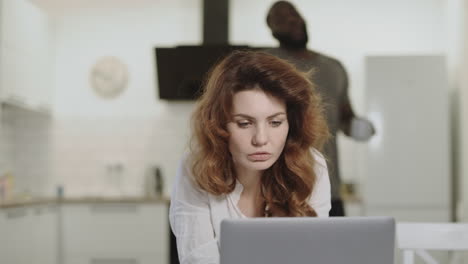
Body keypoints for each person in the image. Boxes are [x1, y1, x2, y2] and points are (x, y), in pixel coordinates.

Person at [169, 50, 331, 264]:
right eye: (244, 123)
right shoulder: (196, 169)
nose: (261, 139)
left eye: (275, 122)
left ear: (291, 123)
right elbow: (197, 260)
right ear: (218, 126)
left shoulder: (311, 166)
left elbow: (312, 258)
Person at [265, 1, 375, 216]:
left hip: (329, 189)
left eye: (294, 14)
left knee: (332, 250)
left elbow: (345, 118)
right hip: (279, 190)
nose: (292, 20)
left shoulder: (333, 67)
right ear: (272, 30)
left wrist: (358, 127)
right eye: (281, 18)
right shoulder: (266, 63)